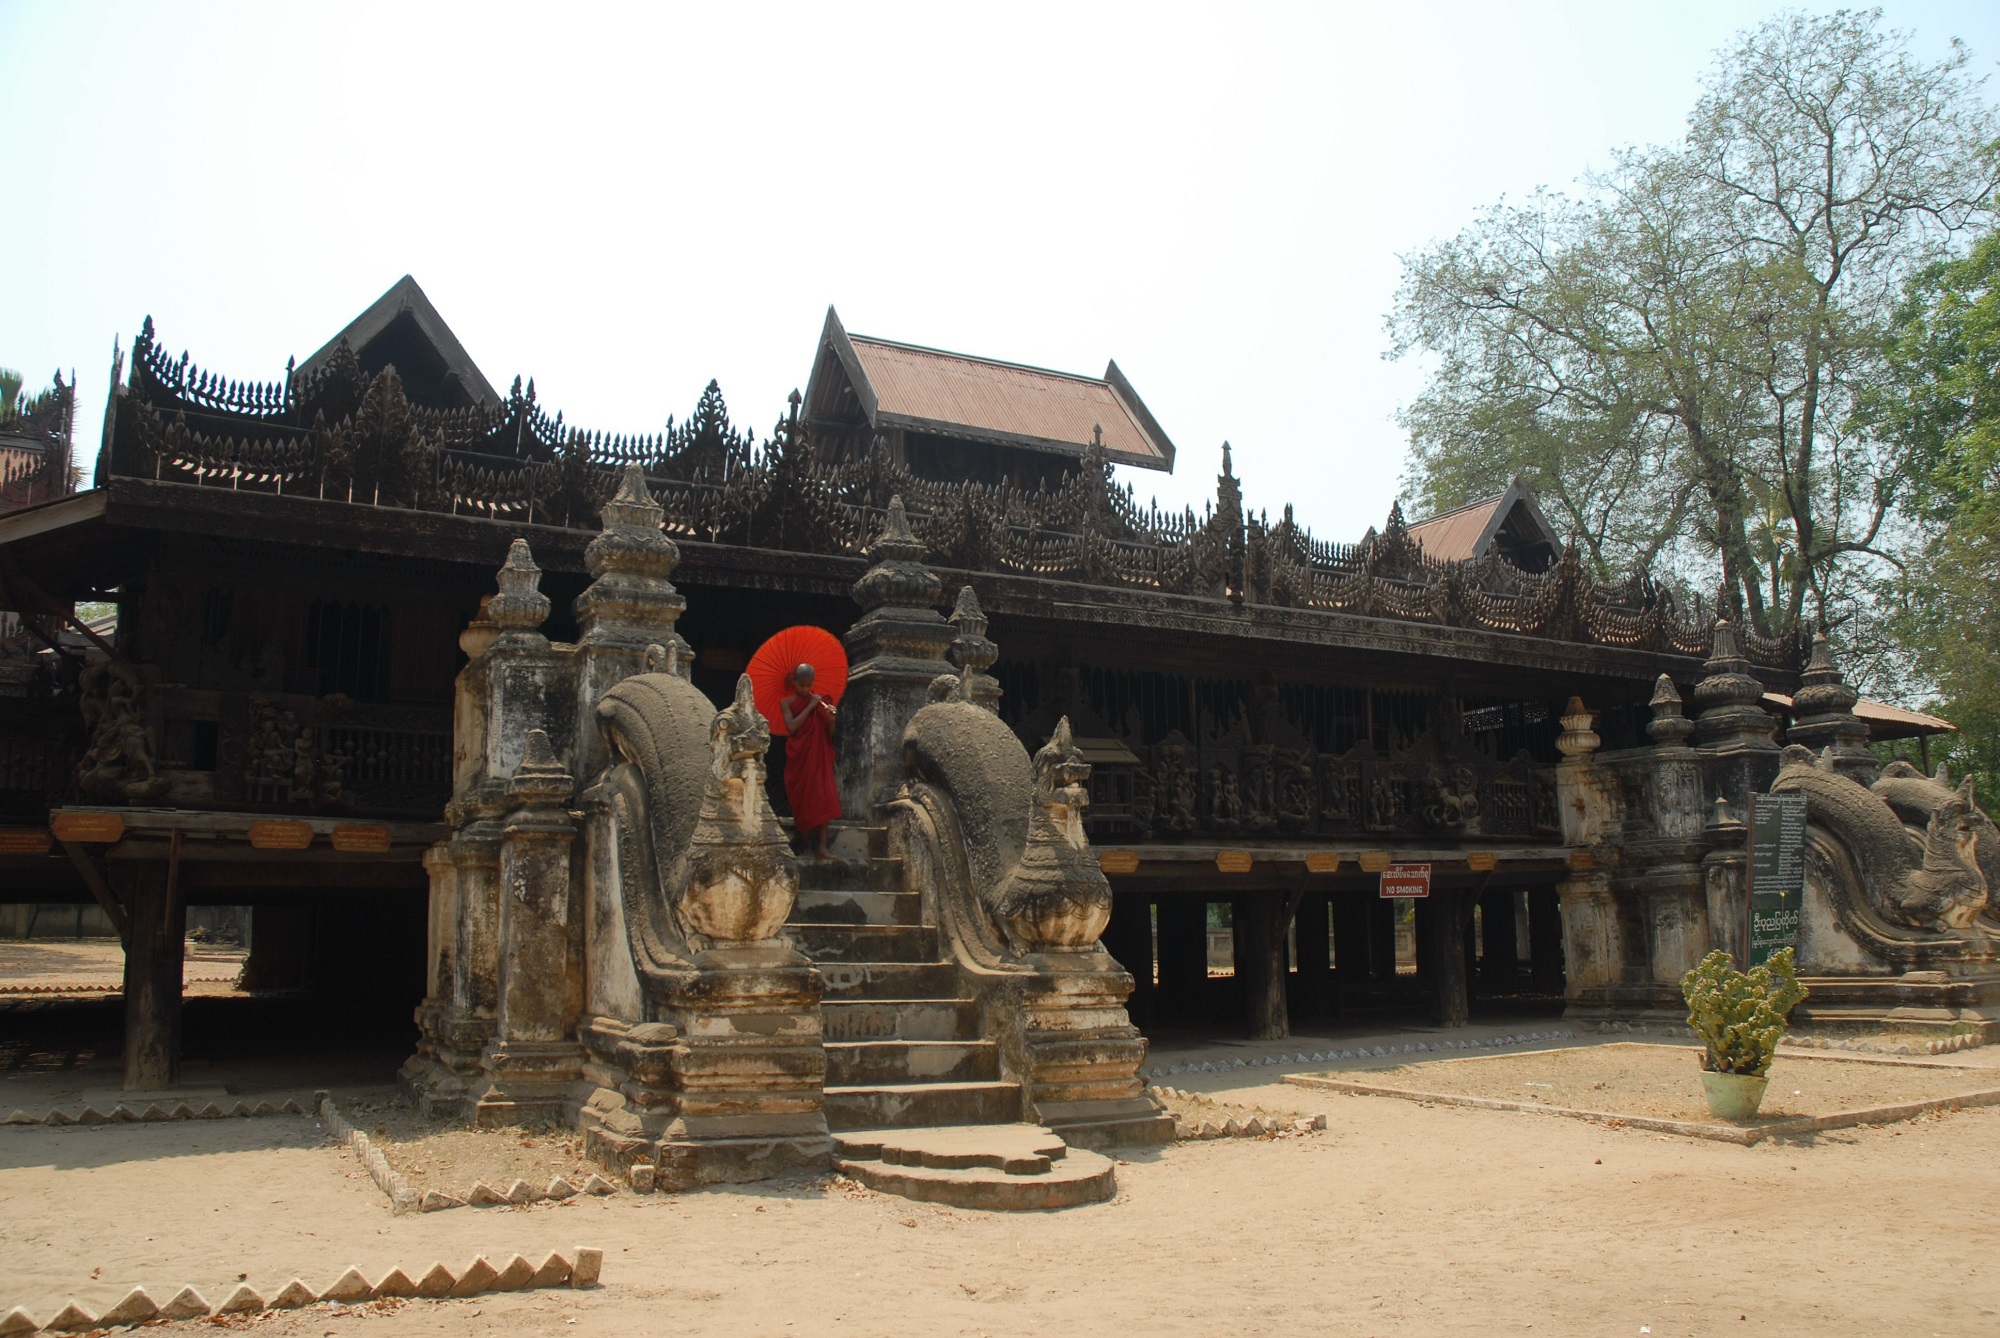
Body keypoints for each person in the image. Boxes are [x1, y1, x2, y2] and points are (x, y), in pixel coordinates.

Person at [780, 662, 841, 860]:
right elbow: (791, 727)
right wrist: (810, 706)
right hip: (800, 756)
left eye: (809, 685)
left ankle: (822, 846)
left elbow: (829, 734)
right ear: (794, 682)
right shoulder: (787, 703)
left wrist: (831, 719)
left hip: (819, 757)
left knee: (824, 796)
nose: (805, 689)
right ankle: (804, 840)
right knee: (803, 796)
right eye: (801, 685)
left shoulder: (823, 701)